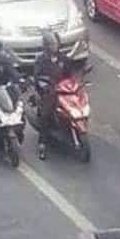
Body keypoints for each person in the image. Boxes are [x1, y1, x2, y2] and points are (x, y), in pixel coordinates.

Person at [33, 30, 76, 160]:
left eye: (56, 44)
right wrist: (45, 86)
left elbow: (70, 75)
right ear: (46, 46)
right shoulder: (41, 60)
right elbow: (37, 77)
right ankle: (42, 144)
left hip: (64, 90)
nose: (54, 46)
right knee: (45, 115)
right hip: (50, 92)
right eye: (51, 44)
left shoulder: (64, 59)